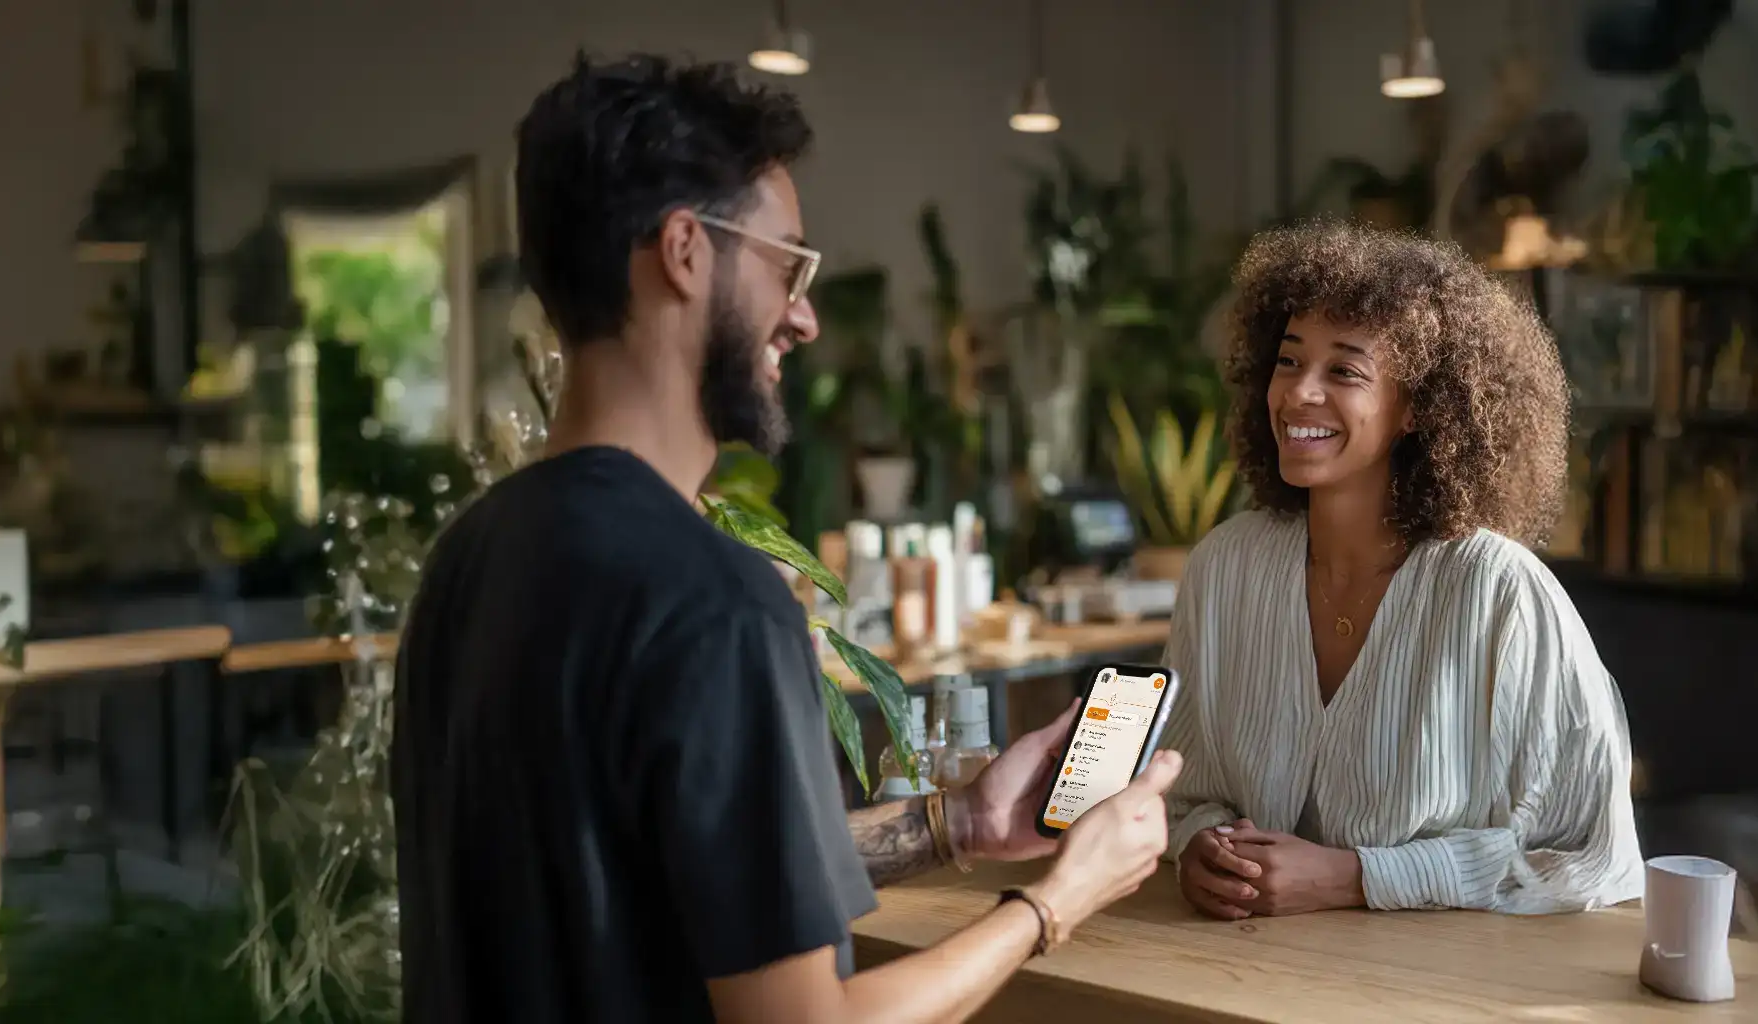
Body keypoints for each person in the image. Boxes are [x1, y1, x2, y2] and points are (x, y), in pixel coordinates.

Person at [392, 54, 1181, 1024]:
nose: (803, 316)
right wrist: (1057, 901)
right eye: (787, 265)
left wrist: (961, 822)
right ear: (685, 251)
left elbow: (660, 877)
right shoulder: (712, 597)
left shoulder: (469, 559)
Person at [1158, 220, 1641, 920]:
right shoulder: (1225, 569)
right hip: (1242, 978)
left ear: (1417, 408)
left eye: (1344, 370)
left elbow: (1589, 858)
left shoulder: (1499, 593)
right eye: (1289, 361)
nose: (1298, 395)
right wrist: (1200, 845)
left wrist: (1358, 877)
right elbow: (1179, 791)